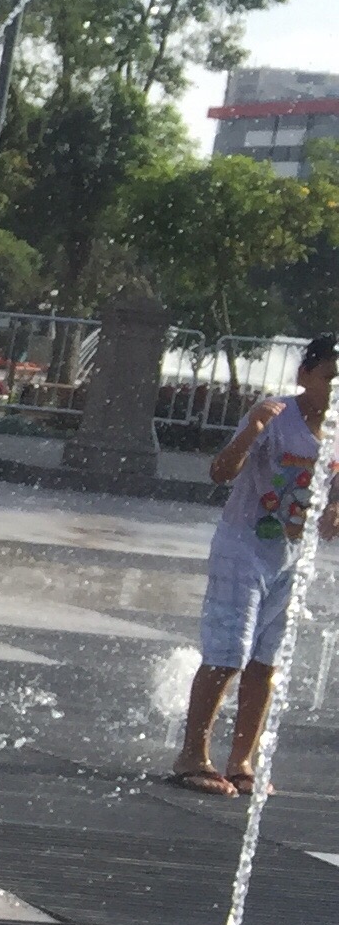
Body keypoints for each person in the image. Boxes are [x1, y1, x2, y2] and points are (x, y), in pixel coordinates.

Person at [171, 336, 338, 796]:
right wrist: (252, 430)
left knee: (266, 661)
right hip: (243, 547)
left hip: (293, 557)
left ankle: (241, 759)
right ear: (304, 375)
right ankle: (192, 755)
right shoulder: (275, 416)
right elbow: (220, 473)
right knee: (227, 655)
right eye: (330, 377)